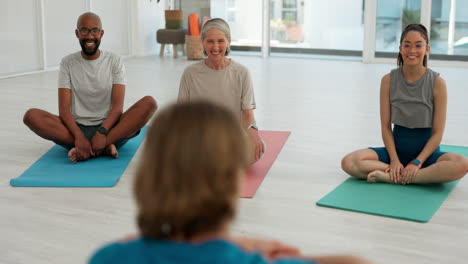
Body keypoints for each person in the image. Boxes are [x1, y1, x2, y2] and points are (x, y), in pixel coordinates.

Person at [88, 101, 371, 264]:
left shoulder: (109, 258)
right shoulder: (245, 262)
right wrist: (242, 245)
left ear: (149, 176)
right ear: (233, 180)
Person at [341, 24, 468, 184]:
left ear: (427, 49)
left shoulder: (438, 83)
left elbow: (437, 134)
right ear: (400, 48)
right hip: (395, 152)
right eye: (407, 45)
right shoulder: (388, 80)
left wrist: (417, 162)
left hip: (426, 157)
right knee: (349, 162)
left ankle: (395, 177)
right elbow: (386, 127)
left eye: (418, 45)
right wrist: (394, 160)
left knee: (462, 164)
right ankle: (408, 174)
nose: (412, 50)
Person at [23, 12, 157, 163]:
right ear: (77, 33)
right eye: (84, 30)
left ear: (101, 33)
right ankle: (97, 147)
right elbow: (64, 110)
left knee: (149, 103)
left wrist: (102, 132)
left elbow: (117, 107)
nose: (90, 36)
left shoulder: (114, 61)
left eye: (94, 30)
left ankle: (90, 148)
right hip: (75, 131)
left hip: (110, 128)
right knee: (31, 116)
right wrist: (79, 137)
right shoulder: (67, 63)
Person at [178, 18, 264, 163]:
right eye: (210, 41)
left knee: (258, 149)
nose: (215, 47)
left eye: (220, 41)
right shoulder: (190, 73)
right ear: (203, 41)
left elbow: (248, 114)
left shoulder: (242, 73)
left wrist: (254, 135)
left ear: (229, 40)